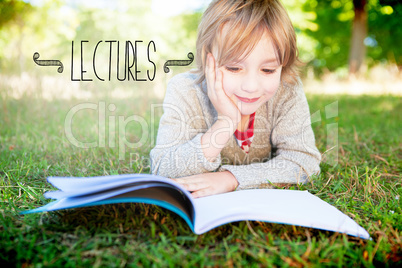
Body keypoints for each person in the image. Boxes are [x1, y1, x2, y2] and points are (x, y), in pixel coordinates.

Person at [150, 0, 321, 198]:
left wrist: (232, 178)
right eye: (234, 68)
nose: (251, 86)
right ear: (208, 59)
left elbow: (304, 161)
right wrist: (224, 123)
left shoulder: (287, 89)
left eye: (268, 70)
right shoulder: (185, 89)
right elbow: (162, 169)